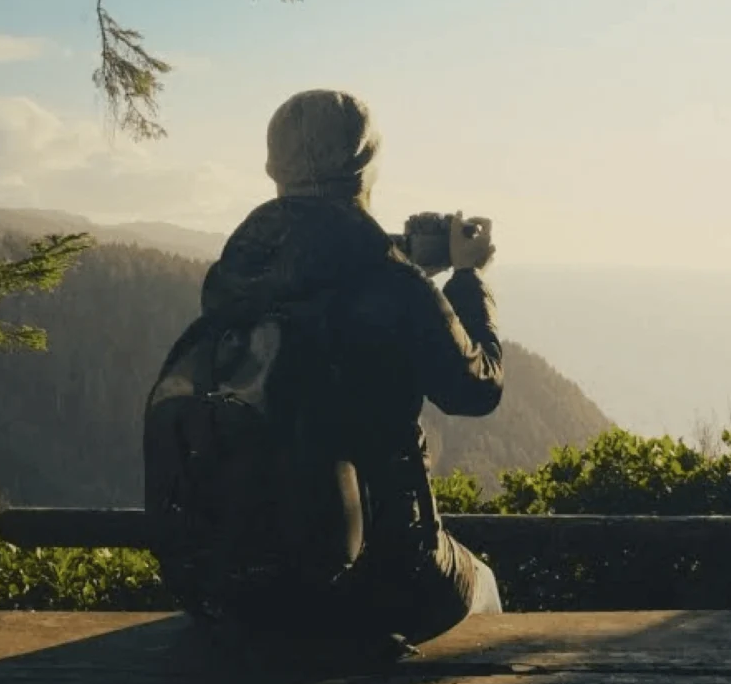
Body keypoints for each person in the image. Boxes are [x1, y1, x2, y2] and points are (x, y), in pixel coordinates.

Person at [195, 88, 505, 650]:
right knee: (483, 584)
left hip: (246, 581)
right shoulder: (392, 284)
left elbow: (318, 305)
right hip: (381, 577)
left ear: (273, 168)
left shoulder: (234, 277)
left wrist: (410, 277)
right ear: (365, 166)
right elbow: (476, 390)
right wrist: (466, 279)